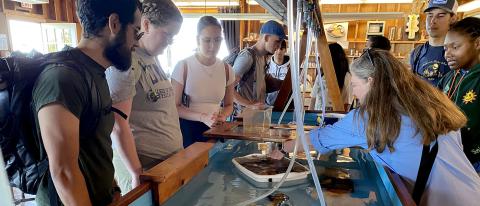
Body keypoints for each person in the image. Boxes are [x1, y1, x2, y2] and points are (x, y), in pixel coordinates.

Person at [277, 49, 480, 205]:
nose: (354, 92)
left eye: (355, 85)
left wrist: (282, 148)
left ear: (371, 82)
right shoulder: (428, 103)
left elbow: (318, 138)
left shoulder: (368, 117)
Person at [32, 0, 141, 205]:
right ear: (114, 23)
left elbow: (96, 148)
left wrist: (113, 189)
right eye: (136, 32)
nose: (137, 42)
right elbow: (64, 173)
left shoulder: (95, 73)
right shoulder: (62, 78)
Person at [106, 0, 183, 194]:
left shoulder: (151, 56)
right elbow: (117, 123)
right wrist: (136, 172)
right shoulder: (127, 62)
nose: (170, 42)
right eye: (167, 34)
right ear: (146, 24)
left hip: (166, 162)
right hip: (145, 167)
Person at [171, 16, 235, 148]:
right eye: (207, 40)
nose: (213, 46)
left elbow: (229, 105)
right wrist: (202, 117)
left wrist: (222, 116)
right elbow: (174, 107)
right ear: (197, 40)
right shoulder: (183, 66)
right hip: (188, 129)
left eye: (217, 40)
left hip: (215, 128)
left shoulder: (227, 69)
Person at [438, 17, 480, 173]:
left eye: (455, 47)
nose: (447, 54)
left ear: (477, 44)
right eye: (445, 48)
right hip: (451, 155)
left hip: (474, 160)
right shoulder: (450, 76)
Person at [232, 20, 286, 115]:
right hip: (243, 118)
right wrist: (250, 105)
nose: (279, 46)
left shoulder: (263, 57)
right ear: (266, 37)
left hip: (255, 116)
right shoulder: (247, 57)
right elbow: (227, 88)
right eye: (277, 41)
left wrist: (286, 84)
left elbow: (263, 83)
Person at [410, 0, 457, 85]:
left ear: (452, 19)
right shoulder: (417, 53)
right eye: (430, 15)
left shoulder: (460, 53)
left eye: (440, 16)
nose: (433, 21)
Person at [309, 43, 352, 111]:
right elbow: (313, 98)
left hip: (335, 117)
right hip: (317, 116)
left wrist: (342, 119)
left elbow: (347, 103)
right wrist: (310, 115)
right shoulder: (322, 75)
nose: (323, 59)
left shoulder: (346, 77)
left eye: (325, 55)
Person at [265, 40, 290, 106]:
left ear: (285, 50)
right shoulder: (266, 65)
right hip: (268, 105)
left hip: (286, 106)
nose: (279, 51)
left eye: (281, 49)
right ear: (273, 49)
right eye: (277, 48)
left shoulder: (291, 67)